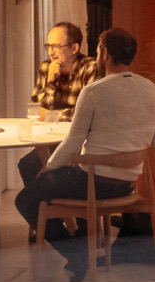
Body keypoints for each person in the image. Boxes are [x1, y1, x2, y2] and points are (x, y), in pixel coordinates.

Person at [13, 27, 155, 282]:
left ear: (105, 53)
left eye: (98, 49)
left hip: (91, 184)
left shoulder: (94, 91)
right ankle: (81, 247)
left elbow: (73, 143)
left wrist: (49, 167)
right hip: (127, 187)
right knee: (44, 181)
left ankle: (76, 252)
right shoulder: (152, 89)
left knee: (26, 199)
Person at [18, 21, 103, 188]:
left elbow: (89, 113)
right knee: (27, 165)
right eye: (48, 46)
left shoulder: (90, 68)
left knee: (49, 168)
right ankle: (50, 212)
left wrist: (51, 115)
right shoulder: (46, 67)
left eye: (56, 46)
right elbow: (35, 109)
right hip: (52, 137)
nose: (51, 52)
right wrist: (50, 82)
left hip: (82, 142)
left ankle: (68, 211)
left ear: (74, 48)